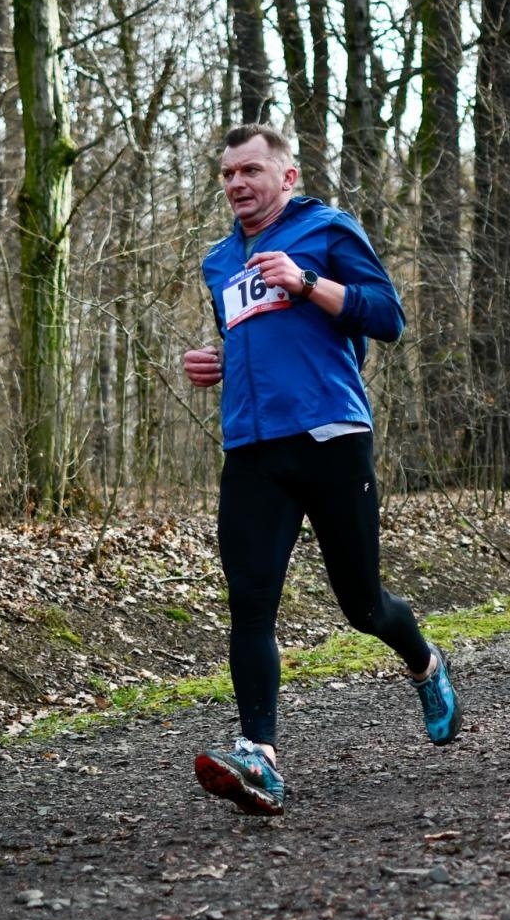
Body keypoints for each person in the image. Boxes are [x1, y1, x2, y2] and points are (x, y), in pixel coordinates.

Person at [181, 123, 460, 816]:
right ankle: (260, 759)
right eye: (228, 175)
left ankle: (424, 662)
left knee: (361, 604)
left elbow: (387, 320)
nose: (238, 184)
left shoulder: (327, 230)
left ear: (287, 177)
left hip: (331, 435)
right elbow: (258, 335)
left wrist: (308, 283)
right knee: (249, 602)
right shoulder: (220, 260)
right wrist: (222, 364)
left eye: (251, 170)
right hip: (250, 447)